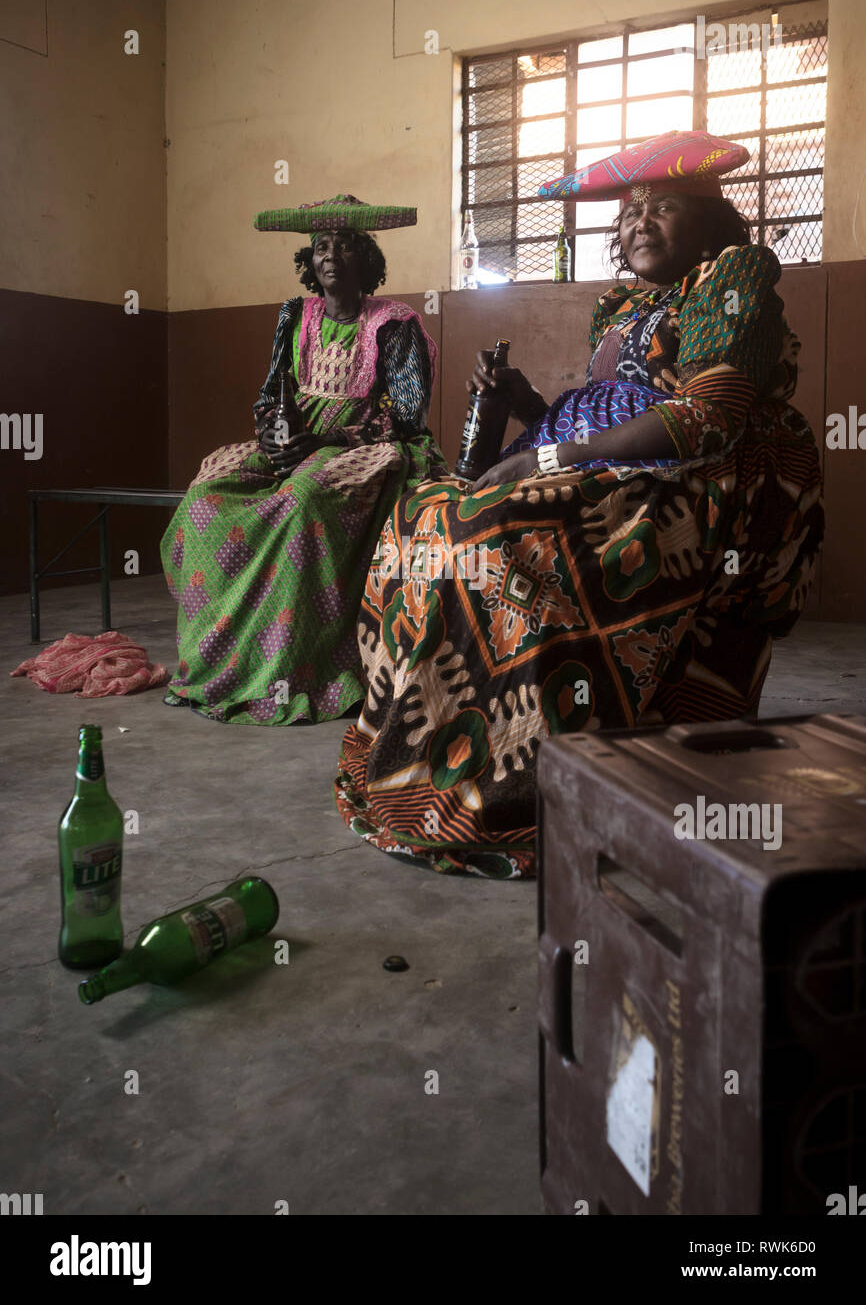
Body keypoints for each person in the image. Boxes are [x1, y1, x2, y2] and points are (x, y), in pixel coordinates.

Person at [335, 132, 824, 878]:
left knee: (493, 531)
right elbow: (600, 415)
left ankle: (519, 771)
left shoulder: (733, 275)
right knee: (423, 512)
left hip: (703, 481)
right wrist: (526, 406)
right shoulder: (623, 305)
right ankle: (419, 757)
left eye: (662, 208)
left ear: (711, 220)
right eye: (629, 214)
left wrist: (550, 457)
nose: (638, 224)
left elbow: (705, 420)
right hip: (618, 468)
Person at [160, 194, 447, 724]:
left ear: (366, 260)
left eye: (343, 246)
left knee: (303, 499)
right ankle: (221, 658)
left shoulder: (396, 322)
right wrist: (273, 434)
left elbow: (407, 417)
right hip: (296, 439)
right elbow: (272, 392)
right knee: (207, 494)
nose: (330, 255)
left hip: (370, 446)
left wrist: (323, 441)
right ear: (309, 262)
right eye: (320, 247)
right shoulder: (295, 314)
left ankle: (295, 665)